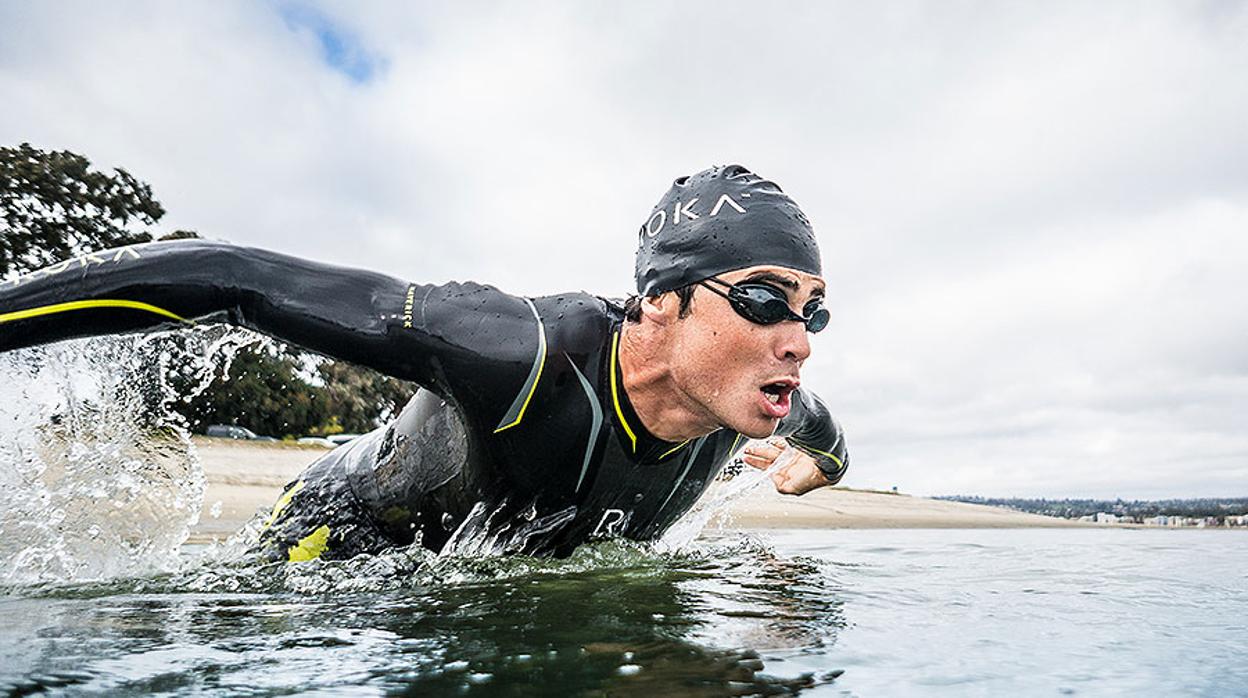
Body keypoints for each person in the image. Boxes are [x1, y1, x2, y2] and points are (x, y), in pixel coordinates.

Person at [0, 164, 848, 561]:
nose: (799, 339)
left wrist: (807, 473)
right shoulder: (517, 351)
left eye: (814, 310)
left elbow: (832, 449)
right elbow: (233, 278)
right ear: (661, 301)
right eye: (766, 300)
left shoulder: (763, 399)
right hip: (347, 532)